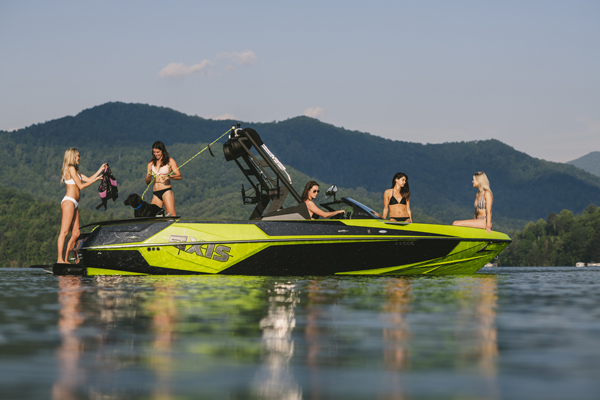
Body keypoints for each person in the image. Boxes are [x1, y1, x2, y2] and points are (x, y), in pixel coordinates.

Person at [57, 148, 106, 264]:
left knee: (76, 234)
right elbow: (81, 186)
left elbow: (88, 179)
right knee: (64, 232)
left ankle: (65, 259)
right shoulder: (70, 168)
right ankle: (60, 259)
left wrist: (100, 170)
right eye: (78, 156)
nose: (79, 158)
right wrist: (96, 179)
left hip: (75, 203)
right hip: (69, 201)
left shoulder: (76, 171)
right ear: (73, 156)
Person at [146, 141, 181, 216]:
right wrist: (149, 175)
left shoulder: (170, 161)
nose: (156, 154)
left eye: (158, 152)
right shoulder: (151, 163)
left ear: (162, 151)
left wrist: (169, 176)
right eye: (154, 152)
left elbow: (179, 176)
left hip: (166, 191)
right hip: (156, 193)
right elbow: (147, 182)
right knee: (152, 217)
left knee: (171, 216)